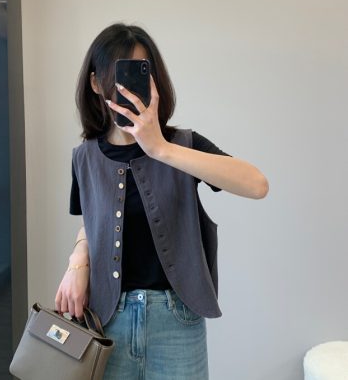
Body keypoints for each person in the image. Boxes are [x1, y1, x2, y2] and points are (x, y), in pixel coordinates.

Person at [55, 23, 269, 380]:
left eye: (139, 74)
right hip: (108, 322)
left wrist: (160, 149)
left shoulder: (181, 145)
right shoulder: (84, 158)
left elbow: (257, 185)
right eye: (117, 75)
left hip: (177, 322)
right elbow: (93, 221)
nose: (127, 89)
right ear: (95, 83)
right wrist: (78, 261)